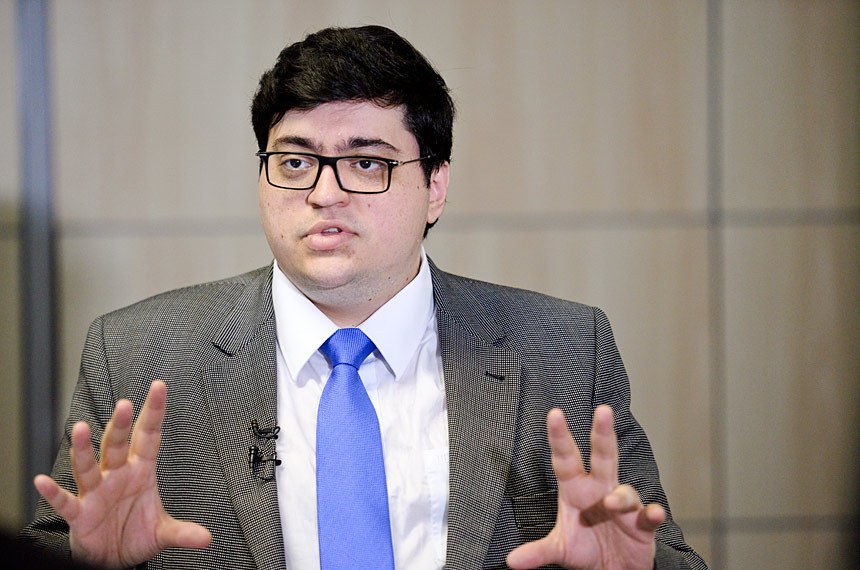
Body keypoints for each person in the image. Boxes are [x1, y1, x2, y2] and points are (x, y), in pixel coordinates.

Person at [21, 25, 707, 570]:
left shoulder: (562, 350)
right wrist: (87, 564)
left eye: (366, 163)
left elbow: (657, 549)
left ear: (434, 186)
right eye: (295, 161)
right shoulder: (140, 354)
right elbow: (53, 546)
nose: (324, 193)